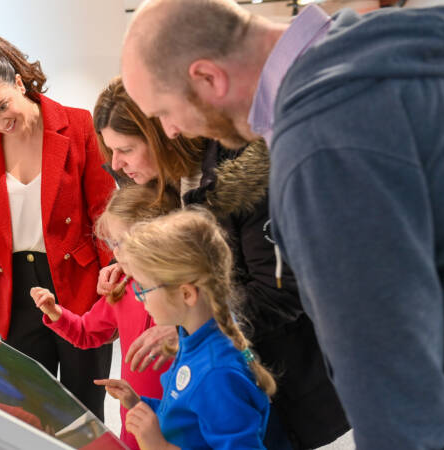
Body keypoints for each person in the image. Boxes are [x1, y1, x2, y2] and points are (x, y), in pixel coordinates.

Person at [121, 0, 444, 448]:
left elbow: (386, 368)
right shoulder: (382, 63)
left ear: (208, 77)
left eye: (163, 111)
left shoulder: (319, 148)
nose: (169, 131)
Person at [94, 77, 347, 448]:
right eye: (111, 150)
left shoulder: (244, 180)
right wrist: (135, 262)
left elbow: (279, 291)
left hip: (275, 371)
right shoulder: (162, 183)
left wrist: (193, 319)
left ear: (163, 133)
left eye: (126, 149)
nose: (118, 163)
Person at [0, 32, 116, 420]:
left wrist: (113, 273)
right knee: (30, 410)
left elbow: (103, 212)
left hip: (79, 285)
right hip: (15, 291)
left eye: (1, 107)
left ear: (18, 81)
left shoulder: (77, 125)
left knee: (85, 411)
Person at [97, 209, 276, 449]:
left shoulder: (217, 374)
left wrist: (160, 446)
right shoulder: (191, 339)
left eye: (144, 288)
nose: (140, 299)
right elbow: (184, 412)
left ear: (186, 294)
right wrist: (139, 403)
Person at [30, 182, 180, 450]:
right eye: (112, 244)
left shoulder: (185, 291)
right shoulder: (122, 286)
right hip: (134, 420)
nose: (116, 253)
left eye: (121, 242)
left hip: (180, 424)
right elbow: (87, 333)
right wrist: (56, 313)